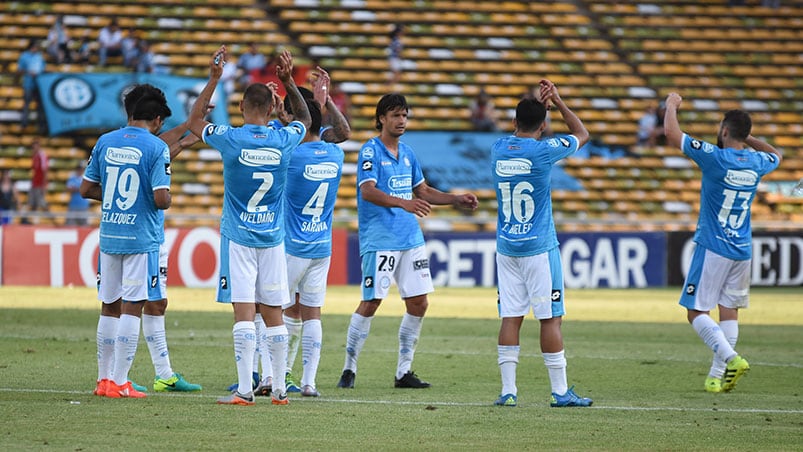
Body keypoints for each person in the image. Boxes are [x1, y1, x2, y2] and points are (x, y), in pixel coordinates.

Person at [187, 45, 311, 406]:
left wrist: (213, 80)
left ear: (241, 108)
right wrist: (288, 81)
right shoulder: (284, 139)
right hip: (273, 239)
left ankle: (244, 390)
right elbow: (305, 119)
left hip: (239, 237)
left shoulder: (231, 138)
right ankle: (279, 390)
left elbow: (195, 124)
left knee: (244, 311)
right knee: (273, 312)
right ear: (273, 109)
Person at [336, 93, 478, 390]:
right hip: (381, 239)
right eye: (395, 115)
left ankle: (404, 372)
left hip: (410, 238)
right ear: (381, 119)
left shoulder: (409, 153)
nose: (401, 121)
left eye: (404, 115)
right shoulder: (370, 151)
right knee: (372, 301)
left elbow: (423, 191)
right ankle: (349, 368)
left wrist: (455, 199)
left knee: (419, 302)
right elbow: (368, 192)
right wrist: (404, 203)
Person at [664, 92, 782, 393]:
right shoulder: (756, 162)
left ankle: (731, 359)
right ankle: (716, 377)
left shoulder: (715, 157)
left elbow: (671, 133)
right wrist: (749, 139)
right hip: (742, 249)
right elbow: (777, 155)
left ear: (725, 131)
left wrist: (671, 105)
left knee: (695, 311)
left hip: (713, 246)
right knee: (729, 310)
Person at [491, 79, 593, 408]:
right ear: (545, 125)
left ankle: (508, 392)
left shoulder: (498, 148)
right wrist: (559, 102)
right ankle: (560, 391)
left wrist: (540, 111)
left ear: (513, 122)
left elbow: (518, 136)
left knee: (511, 316)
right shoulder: (544, 151)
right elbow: (582, 134)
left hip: (506, 247)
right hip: (538, 247)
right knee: (550, 318)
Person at [80, 86, 173, 399]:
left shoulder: (105, 141)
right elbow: (161, 199)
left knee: (109, 306)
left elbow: (86, 188)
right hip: (141, 238)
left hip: (110, 235)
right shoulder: (156, 147)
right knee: (132, 307)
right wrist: (161, 197)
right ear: (156, 119)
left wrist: (118, 200)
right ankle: (120, 382)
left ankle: (103, 380)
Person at [16, 39, 45, 130]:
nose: (36, 49)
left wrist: (38, 73)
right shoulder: (24, 56)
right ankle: (24, 123)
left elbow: (43, 68)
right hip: (28, 84)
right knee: (26, 104)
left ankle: (41, 125)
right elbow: (19, 70)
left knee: (40, 106)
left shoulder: (39, 56)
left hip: (38, 84)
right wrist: (29, 72)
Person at [27, 138, 49, 221]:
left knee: (41, 202)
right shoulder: (34, 156)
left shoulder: (42, 155)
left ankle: (49, 218)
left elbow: (45, 171)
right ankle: (32, 221)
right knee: (32, 203)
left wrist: (44, 185)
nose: (34, 149)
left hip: (40, 184)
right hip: (34, 183)